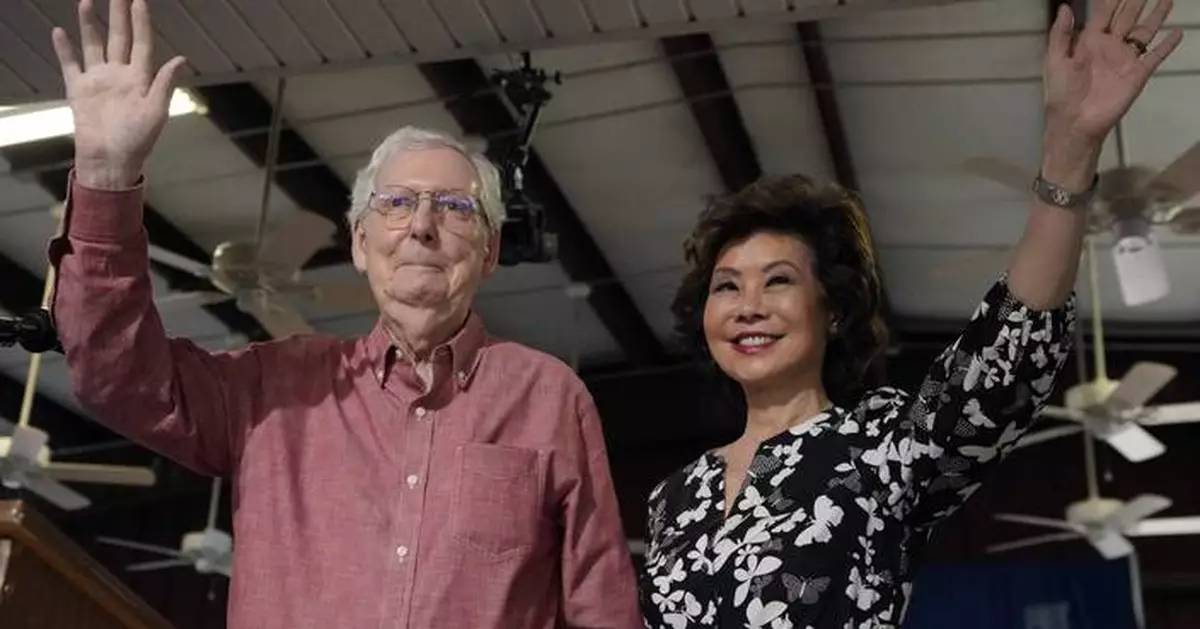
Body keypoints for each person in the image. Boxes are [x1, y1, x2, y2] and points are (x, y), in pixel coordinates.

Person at [45, 1, 643, 628]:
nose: (421, 226)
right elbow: (118, 379)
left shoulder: (548, 397)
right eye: (395, 203)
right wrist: (107, 175)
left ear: (491, 250)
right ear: (360, 243)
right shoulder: (269, 390)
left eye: (453, 207)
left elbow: (599, 602)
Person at [639, 0, 1181, 627]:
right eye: (726, 288)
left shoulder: (883, 443)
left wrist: (1070, 150)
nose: (748, 307)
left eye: (778, 281)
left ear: (834, 309)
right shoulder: (671, 498)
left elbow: (1003, 355)